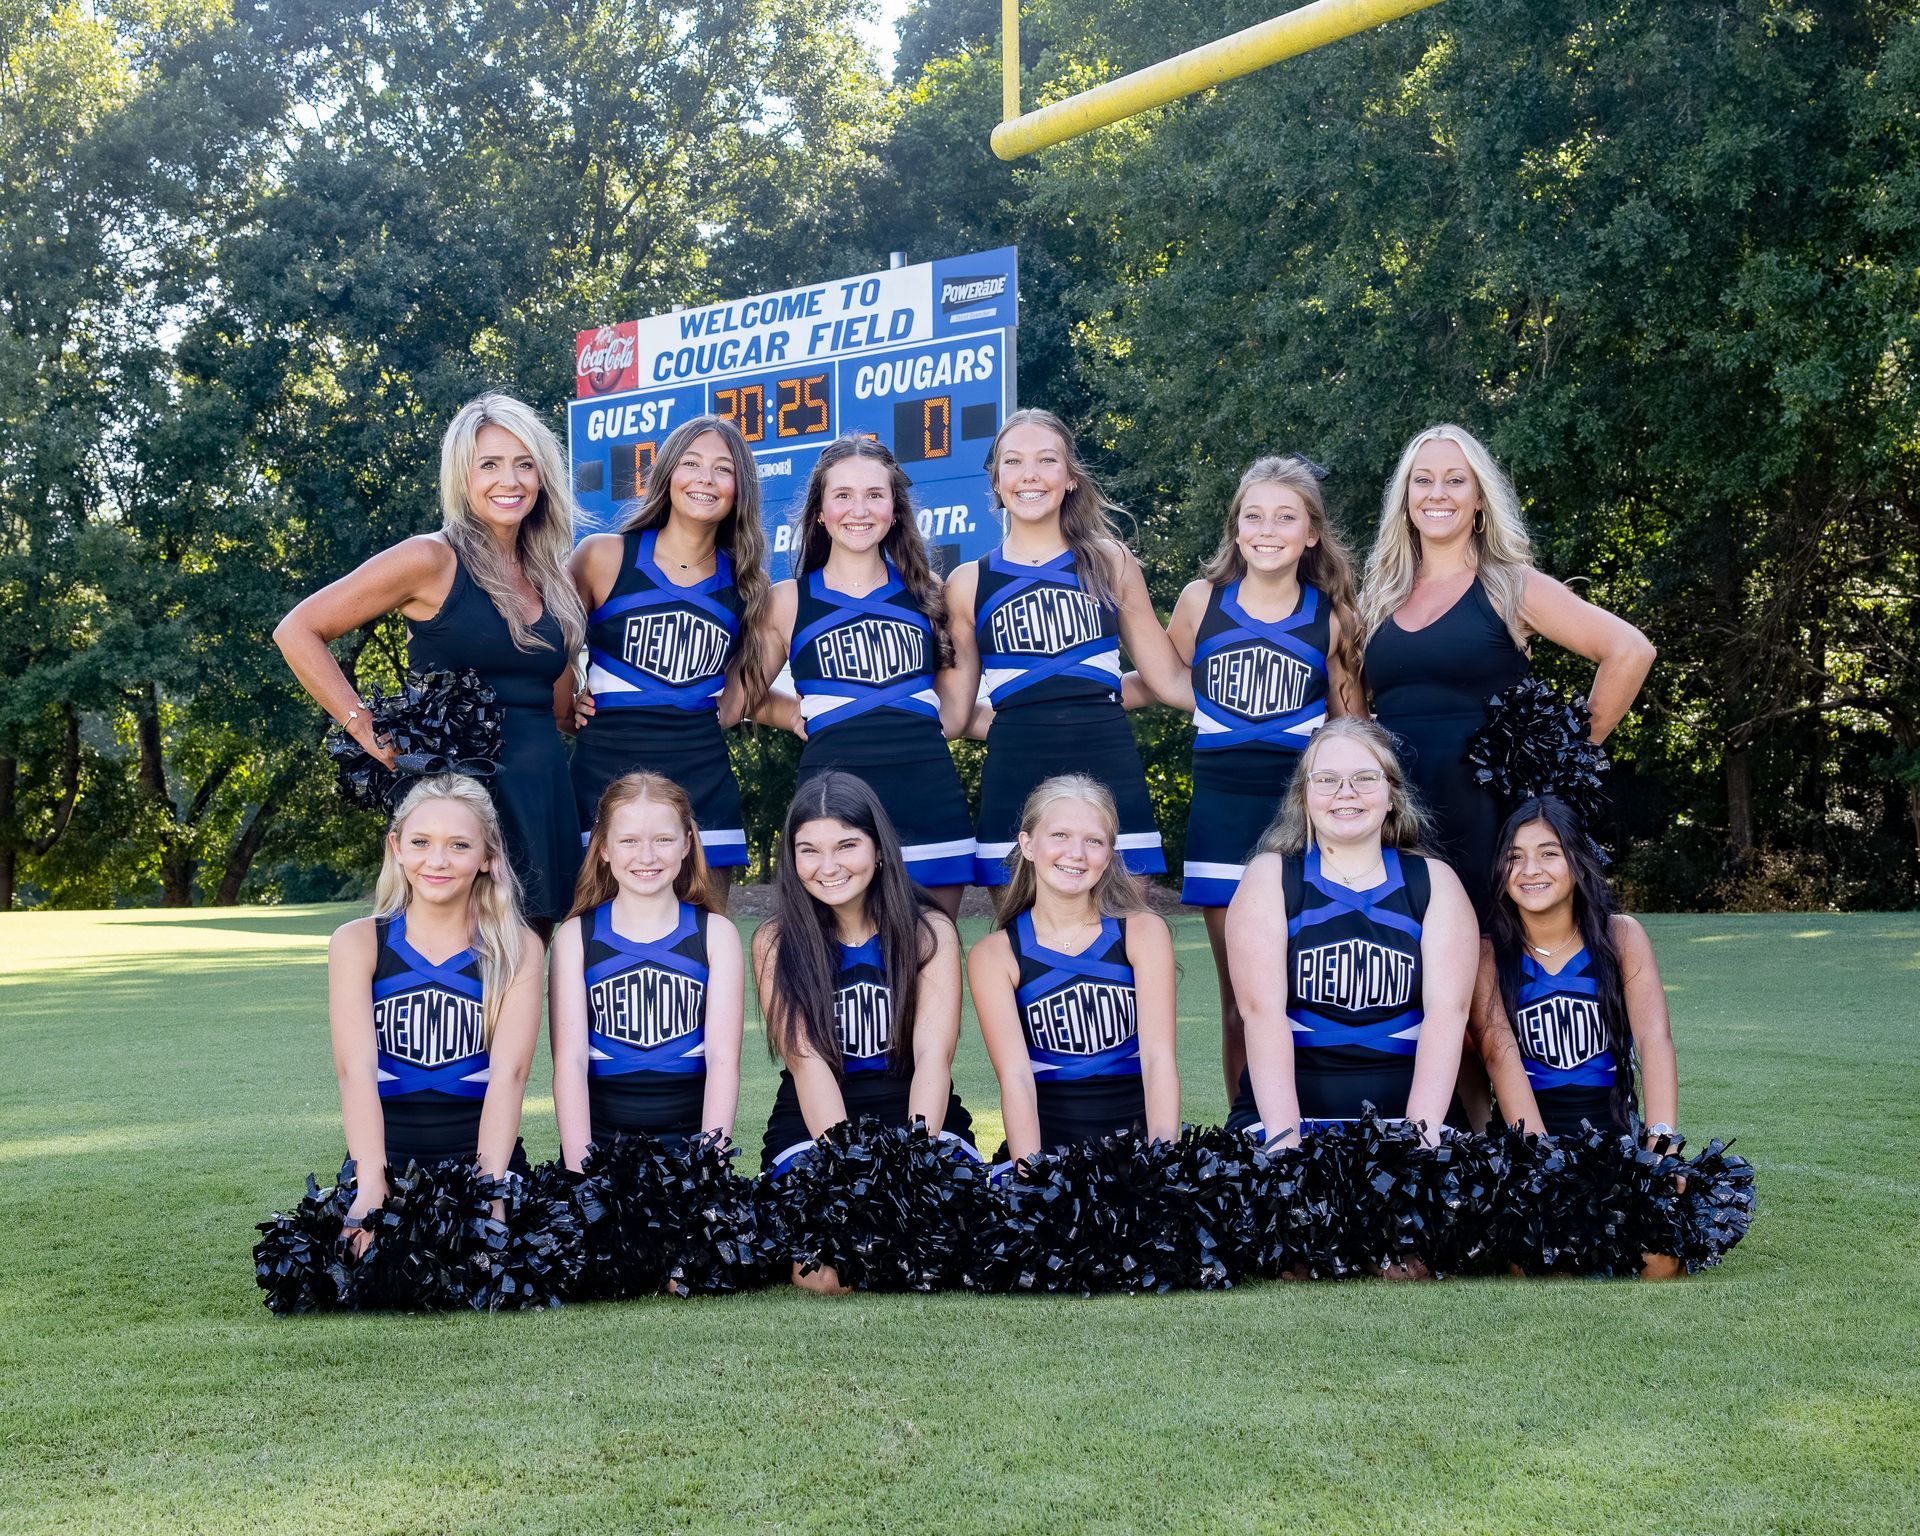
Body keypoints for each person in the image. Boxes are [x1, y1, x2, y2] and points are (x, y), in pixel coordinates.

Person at [276, 393, 588, 928]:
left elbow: (555, 700)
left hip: (543, 791)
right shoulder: (430, 558)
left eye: (524, 464)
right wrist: (365, 730)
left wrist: (577, 707)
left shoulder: (552, 576)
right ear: (462, 476)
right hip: (458, 796)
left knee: (535, 955)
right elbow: (297, 630)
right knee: (455, 963)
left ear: (542, 478)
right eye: (489, 464)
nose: (508, 481)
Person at [1359, 424, 1655, 927]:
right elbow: (1353, 706)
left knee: (1488, 966)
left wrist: (1568, 756)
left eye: (1455, 480)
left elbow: (1630, 650)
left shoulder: (1510, 585)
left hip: (1487, 815)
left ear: (1478, 499)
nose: (1437, 494)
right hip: (1397, 813)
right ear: (1405, 496)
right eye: (1422, 480)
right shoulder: (1377, 597)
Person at [1149, 454, 1361, 1097]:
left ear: (1312, 534)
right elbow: (1165, 679)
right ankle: (1250, 1141)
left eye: (1285, 517)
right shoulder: (1200, 601)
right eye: (1253, 516)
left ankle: (1318, 1125)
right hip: (1220, 821)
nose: (1267, 530)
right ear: (1235, 528)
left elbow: (1351, 733)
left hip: (1303, 824)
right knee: (1242, 998)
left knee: (1308, 994)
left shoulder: (1334, 617)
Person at [944, 409, 1189, 886]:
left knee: (1125, 933)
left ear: (1071, 478)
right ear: (995, 479)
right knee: (1023, 938)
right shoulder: (968, 583)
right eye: (1013, 462)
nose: (1029, 475)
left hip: (1108, 759)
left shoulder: (1110, 561)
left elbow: (1168, 680)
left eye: (1046, 460)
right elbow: (953, 714)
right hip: (1014, 766)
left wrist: (1281, 704)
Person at [1223, 718, 1477, 1143]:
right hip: (1285, 1120)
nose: (1346, 792)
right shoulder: (1270, 878)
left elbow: (1448, 1014)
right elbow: (1260, 1014)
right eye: (1326, 779)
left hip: (1412, 1121)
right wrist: (1285, 1144)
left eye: (1364, 777)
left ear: (1392, 794)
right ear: (1303, 796)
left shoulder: (1435, 882)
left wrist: (1421, 1139)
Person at [755, 437, 976, 916]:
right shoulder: (787, 601)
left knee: (928, 959)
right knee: (837, 970)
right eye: (843, 495)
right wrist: (792, 709)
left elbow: (953, 716)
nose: (860, 509)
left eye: (875, 495)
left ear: (895, 509)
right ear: (819, 510)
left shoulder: (932, 594)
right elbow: (736, 696)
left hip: (927, 797)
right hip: (831, 808)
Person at [326, 775, 544, 1254]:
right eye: (421, 842)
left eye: (459, 845)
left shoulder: (518, 948)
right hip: (382, 1161)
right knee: (359, 1274)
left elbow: (509, 1077)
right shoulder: (358, 942)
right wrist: (370, 1189)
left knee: (490, 1272)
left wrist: (491, 1200)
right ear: (397, 848)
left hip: (481, 1163)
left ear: (488, 856)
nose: (437, 860)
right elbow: (355, 1072)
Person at [566, 416, 772, 902]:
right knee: (591, 939)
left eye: (723, 469)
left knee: (701, 942)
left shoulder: (747, 585)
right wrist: (568, 699)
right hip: (602, 770)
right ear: (666, 475)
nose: (705, 478)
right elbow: (551, 646)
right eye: (691, 463)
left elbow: (738, 698)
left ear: (739, 489)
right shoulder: (602, 555)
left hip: (702, 774)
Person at [753, 771, 976, 1177]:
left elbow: (932, 1057)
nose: (828, 866)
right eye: (809, 850)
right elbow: (807, 1063)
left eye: (846, 845)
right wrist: (846, 1166)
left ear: (878, 849)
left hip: (918, 1112)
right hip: (811, 1119)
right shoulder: (775, 940)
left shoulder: (929, 931)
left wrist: (914, 1156)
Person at [967, 775, 1180, 1162]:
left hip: (1136, 1153)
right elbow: (1016, 1079)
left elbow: (1158, 1059)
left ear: (1110, 853)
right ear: (1028, 844)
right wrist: (1032, 1176)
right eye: (1060, 835)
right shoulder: (995, 955)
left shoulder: (1142, 931)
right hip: (1047, 1153)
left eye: (1094, 840)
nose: (1076, 853)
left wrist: (1161, 1162)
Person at [548, 772, 744, 1168]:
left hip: (688, 1156)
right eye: (629, 841)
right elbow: (570, 1062)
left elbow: (723, 1060)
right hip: (602, 1156)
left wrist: (710, 1164)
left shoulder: (716, 935)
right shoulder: (575, 938)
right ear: (603, 848)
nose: (647, 856)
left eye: (663, 840)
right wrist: (579, 1170)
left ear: (688, 843)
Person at [1470, 795, 1679, 1142]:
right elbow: (1499, 1055)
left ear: (1580, 863)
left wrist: (1661, 1142)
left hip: (1618, 1142)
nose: (1531, 870)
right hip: (1528, 1147)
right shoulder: (1487, 955)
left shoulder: (1621, 936)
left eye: (1549, 853)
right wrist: (1541, 1164)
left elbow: (1654, 1037)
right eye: (1515, 857)